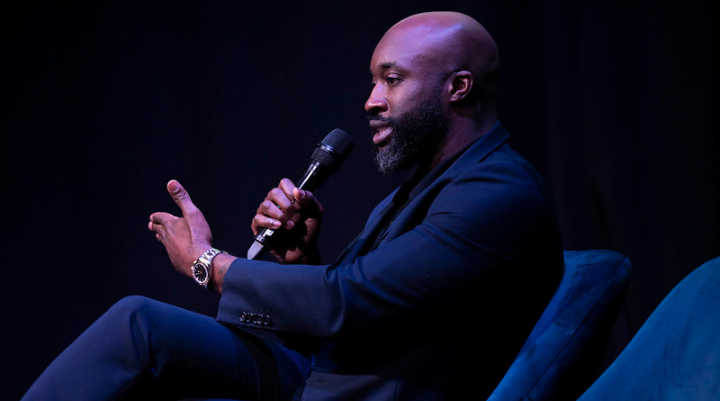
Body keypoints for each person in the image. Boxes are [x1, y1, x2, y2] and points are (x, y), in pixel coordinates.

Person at [22, 11, 563, 401]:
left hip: (354, 388)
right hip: (320, 369)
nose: (370, 102)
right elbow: (373, 304)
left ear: (459, 87)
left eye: (392, 81)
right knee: (137, 323)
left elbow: (349, 300)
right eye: (373, 82)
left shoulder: (499, 193)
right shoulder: (431, 182)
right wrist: (301, 260)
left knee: (138, 327)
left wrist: (210, 265)